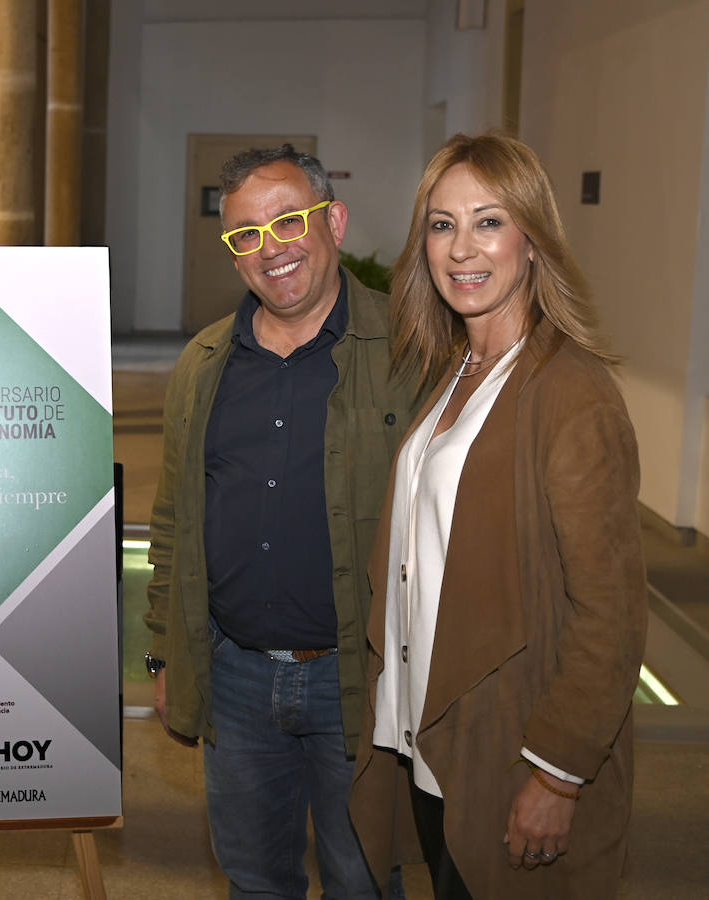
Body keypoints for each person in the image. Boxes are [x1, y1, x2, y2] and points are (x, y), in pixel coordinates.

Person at [348, 132, 646, 899]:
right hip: (439, 743)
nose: (460, 249)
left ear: (534, 240)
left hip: (515, 749)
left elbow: (609, 611)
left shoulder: (571, 391)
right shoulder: (457, 372)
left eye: (488, 221)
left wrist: (558, 774)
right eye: (442, 224)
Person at [145, 144, 420, 898]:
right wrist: (168, 655)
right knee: (255, 880)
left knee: (362, 878)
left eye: (289, 222)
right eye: (245, 235)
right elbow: (172, 521)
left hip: (357, 679)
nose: (271, 250)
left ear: (333, 220)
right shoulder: (205, 362)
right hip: (234, 677)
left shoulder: (409, 352)